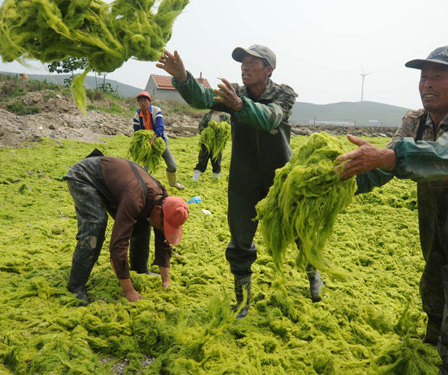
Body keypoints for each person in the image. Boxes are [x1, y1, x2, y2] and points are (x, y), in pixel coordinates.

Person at [336, 46, 448, 375]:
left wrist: (390, 157)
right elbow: (382, 165)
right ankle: (430, 359)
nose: (427, 84)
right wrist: (340, 184)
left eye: (438, 77)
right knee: (433, 301)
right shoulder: (414, 120)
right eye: (423, 77)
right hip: (436, 232)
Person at [157, 44, 323, 319]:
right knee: (240, 240)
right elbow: (202, 99)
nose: (245, 67)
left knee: (296, 229)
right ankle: (242, 299)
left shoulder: (283, 94)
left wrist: (239, 106)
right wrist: (183, 78)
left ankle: (312, 273)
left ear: (269, 69)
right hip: (243, 180)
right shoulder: (234, 91)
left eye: (252, 62)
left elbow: (270, 118)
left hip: (280, 180)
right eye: (242, 62)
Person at [64, 154, 189, 305]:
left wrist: (166, 281)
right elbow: (118, 245)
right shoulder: (135, 199)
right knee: (95, 227)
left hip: (113, 185)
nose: (164, 229)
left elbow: (163, 239)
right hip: (85, 177)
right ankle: (75, 286)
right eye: (165, 225)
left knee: (142, 224)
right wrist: (129, 291)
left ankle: (139, 269)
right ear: (157, 210)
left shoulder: (163, 200)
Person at [133, 91, 185, 190]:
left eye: (145, 100)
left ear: (149, 101)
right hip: (147, 145)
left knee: (172, 165)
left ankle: (173, 183)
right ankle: (146, 188)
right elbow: (137, 132)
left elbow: (160, 127)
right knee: (146, 169)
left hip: (160, 142)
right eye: (140, 101)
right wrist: (143, 144)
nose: (143, 103)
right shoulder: (137, 115)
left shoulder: (156, 110)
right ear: (138, 103)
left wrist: (153, 139)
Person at [193, 109, 231, 181]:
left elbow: (228, 127)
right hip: (206, 142)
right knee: (202, 159)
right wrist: (206, 132)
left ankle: (216, 179)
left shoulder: (225, 116)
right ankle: (195, 178)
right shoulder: (207, 115)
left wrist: (220, 130)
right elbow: (201, 126)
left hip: (218, 143)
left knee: (216, 161)